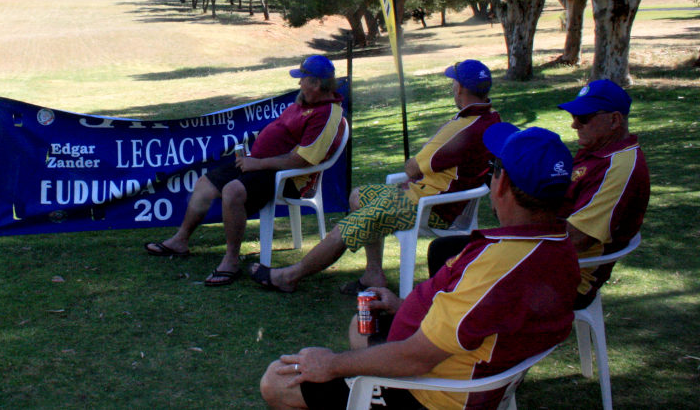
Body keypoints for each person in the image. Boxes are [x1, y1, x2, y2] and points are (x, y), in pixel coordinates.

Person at [259, 124, 580, 410]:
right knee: (363, 322)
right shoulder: (558, 249)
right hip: (458, 366)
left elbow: (417, 356)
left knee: (276, 380)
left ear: (502, 184)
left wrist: (330, 364)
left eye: (493, 167)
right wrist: (402, 306)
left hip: (426, 391)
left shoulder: (496, 268)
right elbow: (479, 319)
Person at [249, 59, 499, 294]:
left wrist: (424, 155)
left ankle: (289, 276)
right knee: (358, 196)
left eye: (453, 82)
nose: (451, 86)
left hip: (429, 206)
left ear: (460, 88)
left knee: (348, 226)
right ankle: (373, 275)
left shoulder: (462, 128)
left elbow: (412, 168)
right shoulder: (488, 116)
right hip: (433, 196)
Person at [427, 79, 649, 309]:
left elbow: (579, 239)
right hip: (549, 253)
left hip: (567, 276)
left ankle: (449, 332)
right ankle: (442, 325)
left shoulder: (620, 166)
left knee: (455, 259)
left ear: (614, 120)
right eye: (573, 116)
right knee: (448, 252)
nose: (574, 125)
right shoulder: (599, 151)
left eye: (583, 118)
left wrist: (516, 235)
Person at [144, 55, 346, 287]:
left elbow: (302, 160)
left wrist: (257, 164)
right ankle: (180, 240)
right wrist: (253, 159)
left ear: (317, 84)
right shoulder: (305, 103)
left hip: (288, 177)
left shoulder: (327, 115)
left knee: (232, 192)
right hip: (259, 163)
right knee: (204, 185)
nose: (298, 84)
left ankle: (231, 260)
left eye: (302, 79)